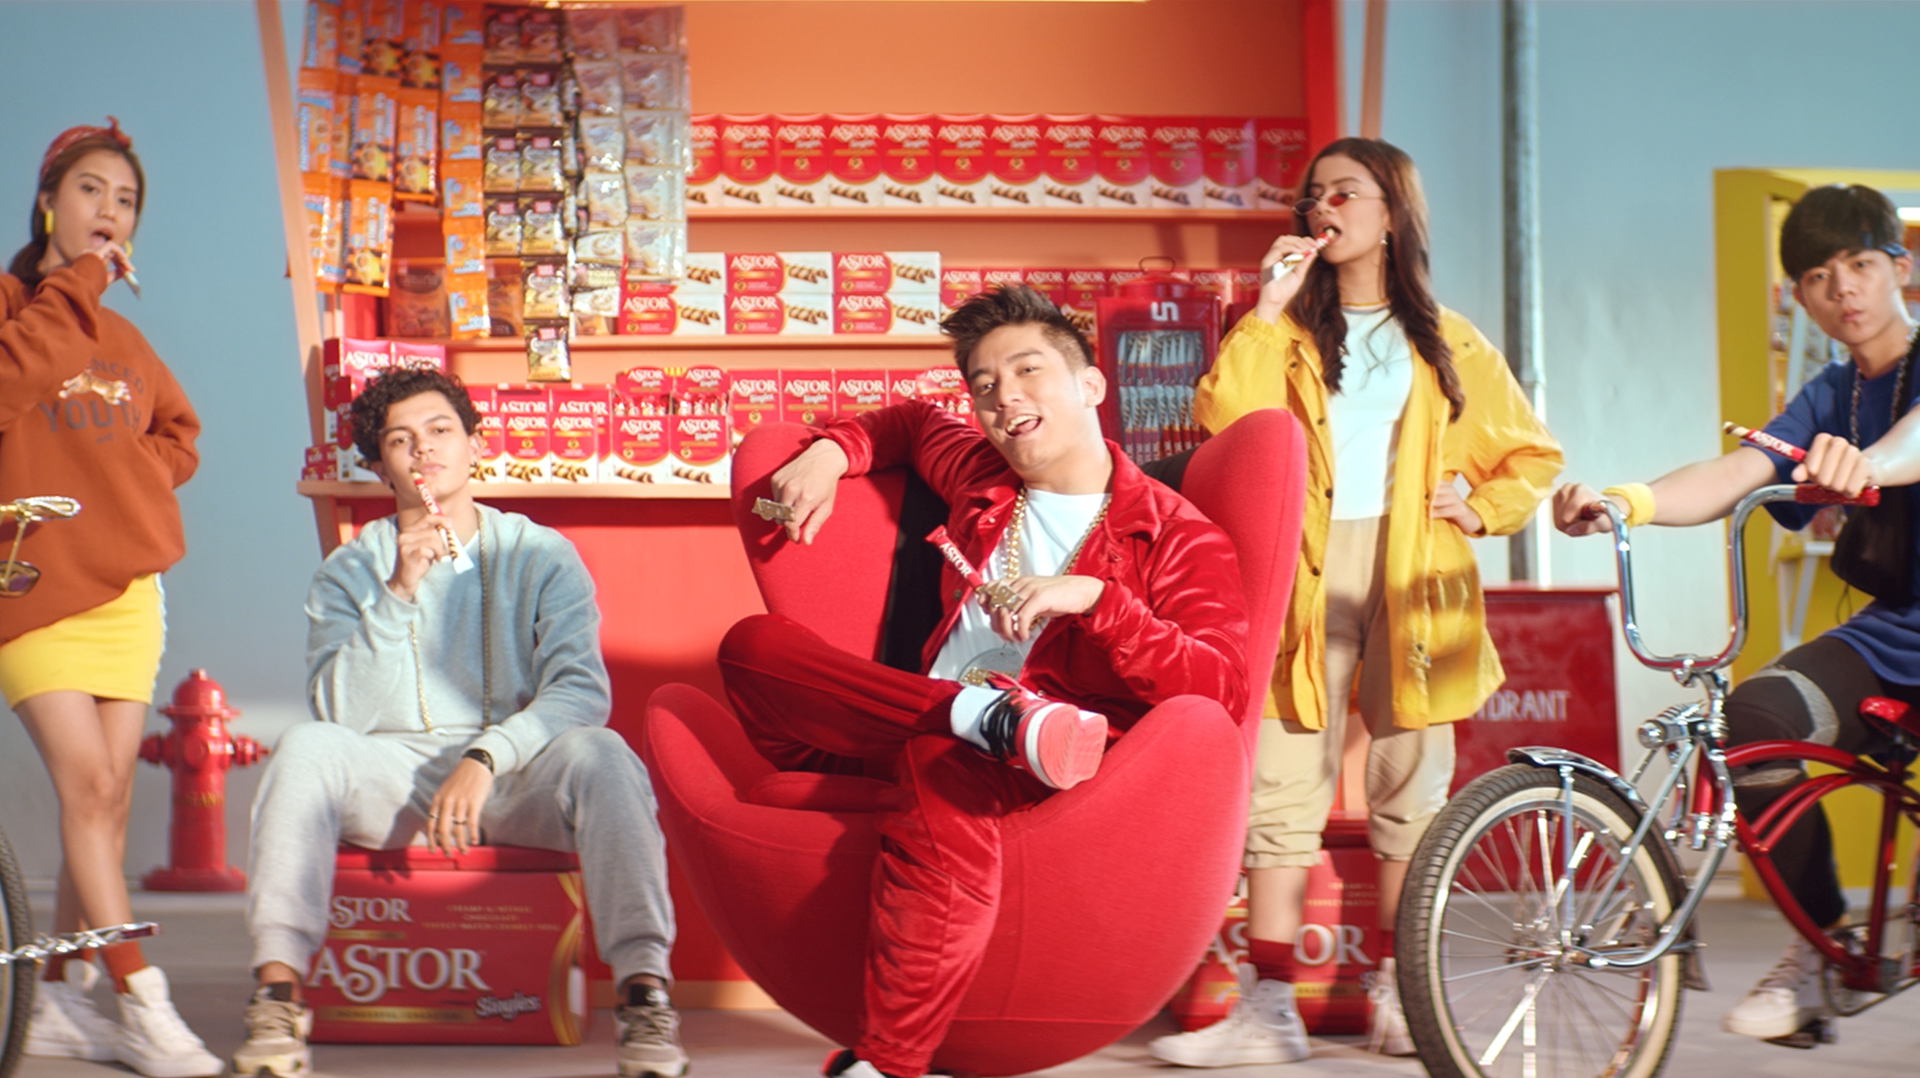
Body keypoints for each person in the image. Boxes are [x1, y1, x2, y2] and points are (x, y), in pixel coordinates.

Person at [720, 284, 1250, 1078]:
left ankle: (888, 1065)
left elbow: (1219, 692)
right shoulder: (981, 474)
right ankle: (979, 716)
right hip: (914, 727)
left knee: (941, 762)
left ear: (1090, 385)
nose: (1004, 397)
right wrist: (831, 453)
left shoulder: (1176, 536)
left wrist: (1100, 603)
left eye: (1028, 370)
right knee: (752, 649)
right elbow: (910, 423)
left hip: (1031, 767)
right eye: (985, 384)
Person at [1151, 137, 1563, 1066]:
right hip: (1299, 569)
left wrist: (1481, 505)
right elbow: (1225, 423)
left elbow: (1533, 454)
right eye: (1314, 195)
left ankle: (1399, 995)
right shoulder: (1287, 334)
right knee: (1279, 783)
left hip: (1416, 570)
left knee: (1409, 786)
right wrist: (1267, 306)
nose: (1323, 207)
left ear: (1392, 214)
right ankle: (1270, 1008)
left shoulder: (1449, 339)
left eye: (1345, 192)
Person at [230, 368, 687, 1078]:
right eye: (401, 440)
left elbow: (579, 691)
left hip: (514, 779)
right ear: (378, 467)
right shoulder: (349, 570)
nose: (424, 449)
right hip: (396, 782)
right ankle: (277, 995)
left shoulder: (540, 554)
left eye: (441, 430)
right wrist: (398, 593)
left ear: (475, 444)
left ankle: (645, 996)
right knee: (305, 746)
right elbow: (338, 712)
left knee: (604, 753)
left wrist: (486, 756)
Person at [1554, 183, 1920, 1045]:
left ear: (1900, 267)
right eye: (1820, 277)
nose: (1844, 289)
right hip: (1897, 631)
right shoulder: (1833, 393)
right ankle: (1821, 946)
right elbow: (1734, 473)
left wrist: (1866, 463)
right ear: (1801, 298)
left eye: (1861, 264)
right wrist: (1624, 503)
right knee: (1752, 720)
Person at [1, 117, 220, 1077]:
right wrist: (82, 281)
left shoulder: (126, 339)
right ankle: (141, 1000)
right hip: (26, 584)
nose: (110, 210)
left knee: (107, 802)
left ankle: (59, 997)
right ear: (48, 201)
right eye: (91, 189)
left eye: (125, 200)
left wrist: (129, 481)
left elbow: (180, 433)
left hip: (126, 593)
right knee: (88, 790)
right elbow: (14, 379)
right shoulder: (17, 307)